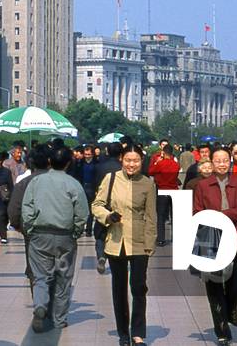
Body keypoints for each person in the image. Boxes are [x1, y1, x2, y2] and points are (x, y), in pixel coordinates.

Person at [193, 149, 237, 346]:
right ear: (211, 163)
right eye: (217, 161)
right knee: (213, 284)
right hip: (210, 237)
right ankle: (221, 330)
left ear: (229, 163)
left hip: (236, 235)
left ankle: (230, 307)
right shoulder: (202, 186)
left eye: (225, 161)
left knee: (235, 284)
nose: (222, 164)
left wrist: (220, 215)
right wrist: (215, 218)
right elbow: (197, 210)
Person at [92, 146, 157, 346]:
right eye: (128, 160)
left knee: (138, 288)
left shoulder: (147, 184)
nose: (131, 164)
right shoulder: (111, 179)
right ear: (122, 159)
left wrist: (150, 244)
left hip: (139, 243)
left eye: (135, 160)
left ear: (141, 161)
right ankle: (123, 333)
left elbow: (151, 217)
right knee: (119, 289)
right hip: (116, 241)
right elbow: (96, 204)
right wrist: (107, 216)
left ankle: (137, 333)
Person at [22, 146, 89, 333]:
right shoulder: (74, 184)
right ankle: (59, 319)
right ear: (69, 162)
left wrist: (30, 228)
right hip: (65, 236)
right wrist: (76, 231)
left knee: (41, 276)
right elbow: (82, 213)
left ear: (50, 161)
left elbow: (26, 207)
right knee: (63, 277)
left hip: (39, 234)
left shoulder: (36, 182)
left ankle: (40, 306)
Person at [9, 145, 52, 292]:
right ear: (49, 161)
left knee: (35, 270)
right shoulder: (62, 182)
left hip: (32, 233)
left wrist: (20, 227)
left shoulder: (23, 184)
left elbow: (14, 211)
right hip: (57, 232)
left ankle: (39, 303)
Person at [92, 143, 124, 274]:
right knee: (116, 233)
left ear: (107, 152)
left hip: (103, 204)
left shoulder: (99, 167)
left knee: (100, 234)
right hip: (119, 205)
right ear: (121, 155)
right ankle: (113, 255)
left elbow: (95, 184)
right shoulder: (122, 168)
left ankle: (101, 256)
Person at [147, 143, 180, 247]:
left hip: (162, 189)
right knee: (173, 215)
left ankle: (161, 239)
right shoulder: (176, 165)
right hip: (173, 189)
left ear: (163, 152)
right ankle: (175, 237)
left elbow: (151, 171)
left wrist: (157, 161)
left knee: (160, 216)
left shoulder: (161, 163)